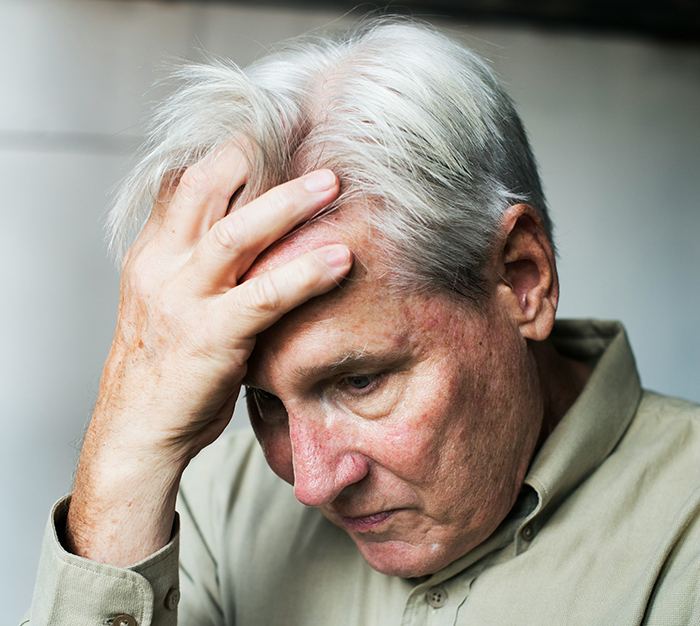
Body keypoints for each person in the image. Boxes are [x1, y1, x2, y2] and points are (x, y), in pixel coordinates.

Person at [25, 17, 700, 626]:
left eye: (359, 382)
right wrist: (127, 452)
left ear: (522, 279)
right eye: (263, 400)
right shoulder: (208, 507)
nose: (312, 483)